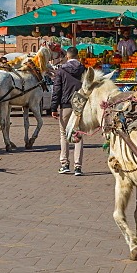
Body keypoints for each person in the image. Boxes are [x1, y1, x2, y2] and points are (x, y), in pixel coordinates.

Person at [51, 46, 86, 176]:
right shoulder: (83, 69)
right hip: (79, 105)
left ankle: (64, 164)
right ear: (77, 56)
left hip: (65, 105)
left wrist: (54, 108)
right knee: (78, 134)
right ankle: (78, 166)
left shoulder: (61, 70)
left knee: (64, 134)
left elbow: (57, 91)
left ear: (67, 56)